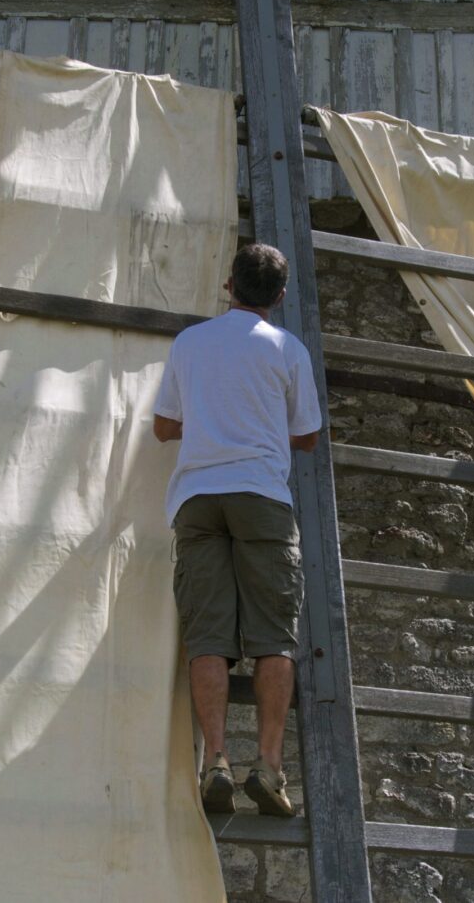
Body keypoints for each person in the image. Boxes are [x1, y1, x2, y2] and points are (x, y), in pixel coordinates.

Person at [152, 242, 322, 818]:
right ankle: (268, 768)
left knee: (208, 636)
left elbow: (162, 427)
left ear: (228, 286)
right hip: (261, 496)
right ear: (278, 295)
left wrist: (208, 419)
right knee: (274, 635)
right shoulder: (287, 349)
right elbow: (307, 436)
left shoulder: (189, 343)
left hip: (197, 498)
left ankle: (215, 761)